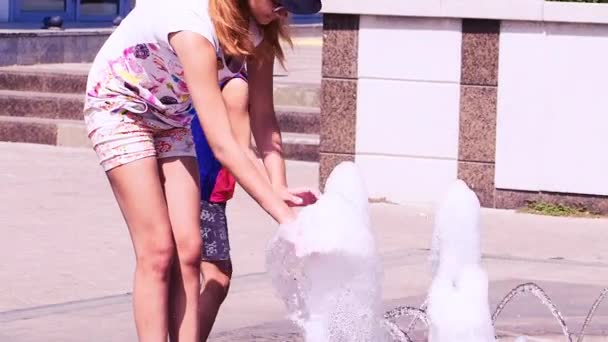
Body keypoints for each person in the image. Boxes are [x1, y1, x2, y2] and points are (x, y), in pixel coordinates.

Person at [82, 0, 322, 341]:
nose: (283, 12)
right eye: (279, 1)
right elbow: (223, 143)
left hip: (171, 117)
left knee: (191, 250)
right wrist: (285, 219)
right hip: (119, 108)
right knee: (158, 249)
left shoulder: (259, 31)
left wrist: (278, 185)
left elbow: (264, 116)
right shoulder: (194, 27)